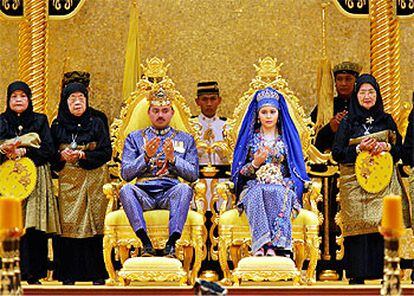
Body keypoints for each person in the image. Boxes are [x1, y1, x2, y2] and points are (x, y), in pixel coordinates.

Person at [332, 74, 407, 284]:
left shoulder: (387, 119)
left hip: (383, 183)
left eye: (371, 92)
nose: (367, 96)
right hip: (354, 184)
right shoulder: (348, 121)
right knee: (359, 225)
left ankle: (386, 274)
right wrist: (359, 148)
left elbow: (401, 151)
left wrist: (387, 147)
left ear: (377, 94)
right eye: (362, 92)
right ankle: (357, 274)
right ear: (356, 95)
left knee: (382, 223)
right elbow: (337, 153)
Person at [119, 86, 199, 258]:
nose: (160, 115)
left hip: (170, 193)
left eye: (165, 111)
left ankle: (171, 243)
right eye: (155, 111)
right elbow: (125, 174)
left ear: (172, 113)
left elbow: (193, 174)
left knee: (185, 189)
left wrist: (173, 159)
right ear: (149, 113)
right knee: (125, 190)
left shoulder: (185, 138)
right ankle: (145, 242)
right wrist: (145, 157)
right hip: (144, 193)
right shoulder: (134, 138)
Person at [231, 87, 309, 256]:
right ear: (257, 115)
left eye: (272, 111)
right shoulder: (250, 139)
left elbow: (294, 170)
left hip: (282, 184)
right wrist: (255, 164)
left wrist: (279, 179)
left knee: (276, 191)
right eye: (264, 112)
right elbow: (241, 173)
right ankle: (263, 244)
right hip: (253, 185)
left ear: (278, 114)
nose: (268, 116)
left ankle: (279, 246)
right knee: (259, 191)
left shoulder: (286, 139)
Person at [51, 82, 111, 285]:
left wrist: (83, 154)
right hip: (69, 180)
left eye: (81, 98)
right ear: (65, 102)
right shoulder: (57, 124)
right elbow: (50, 155)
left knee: (95, 224)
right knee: (69, 225)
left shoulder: (97, 121)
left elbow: (106, 152)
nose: (77, 102)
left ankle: (97, 275)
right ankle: (68, 276)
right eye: (73, 99)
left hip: (94, 178)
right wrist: (61, 155)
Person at [0, 81, 60, 284]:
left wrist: (24, 150)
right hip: (6, 180)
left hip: (35, 179)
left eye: (22, 96)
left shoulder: (40, 120)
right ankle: (9, 271)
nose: (18, 100)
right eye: (14, 96)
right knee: (9, 226)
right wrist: (4, 150)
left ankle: (34, 273)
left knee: (33, 227)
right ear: (8, 100)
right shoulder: (1, 122)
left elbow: (49, 151)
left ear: (29, 99)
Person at [311, 61, 362, 152]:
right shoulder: (324, 107)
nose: (343, 83)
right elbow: (310, 139)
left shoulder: (362, 105)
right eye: (339, 79)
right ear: (335, 83)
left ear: (356, 82)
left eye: (348, 79)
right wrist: (330, 128)